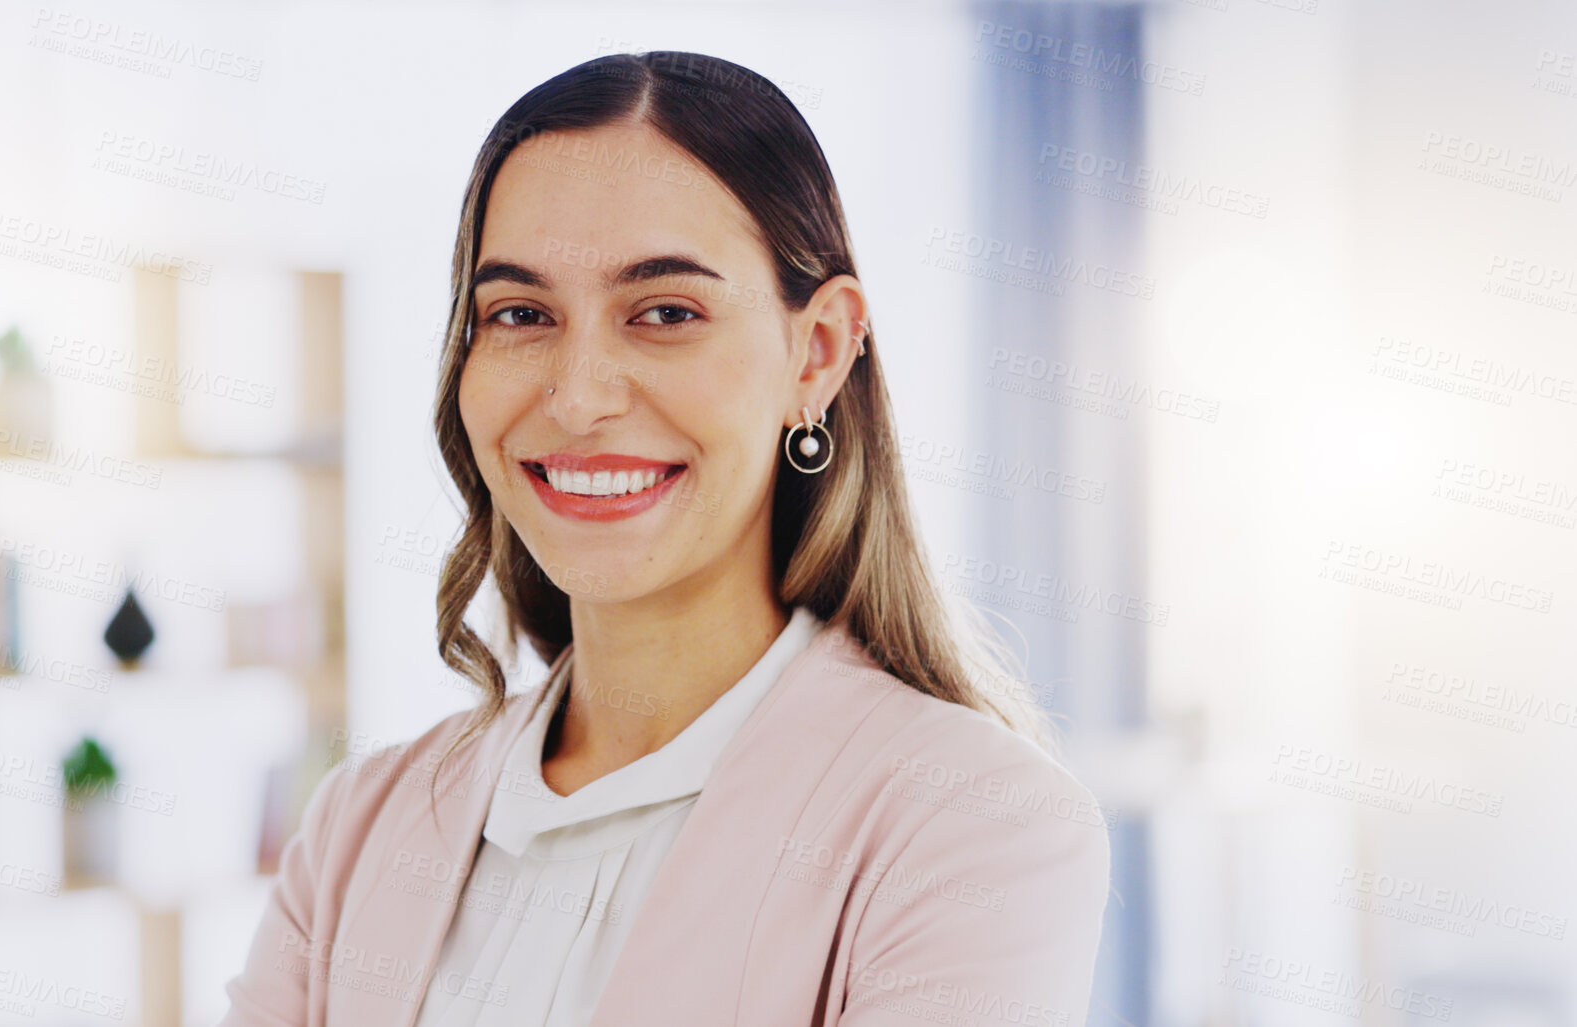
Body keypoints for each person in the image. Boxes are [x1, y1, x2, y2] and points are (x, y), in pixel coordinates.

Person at [220, 50, 1110, 1027]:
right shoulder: (359, 826)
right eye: (519, 313)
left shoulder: (969, 824)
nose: (577, 395)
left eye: (666, 313)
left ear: (816, 352)